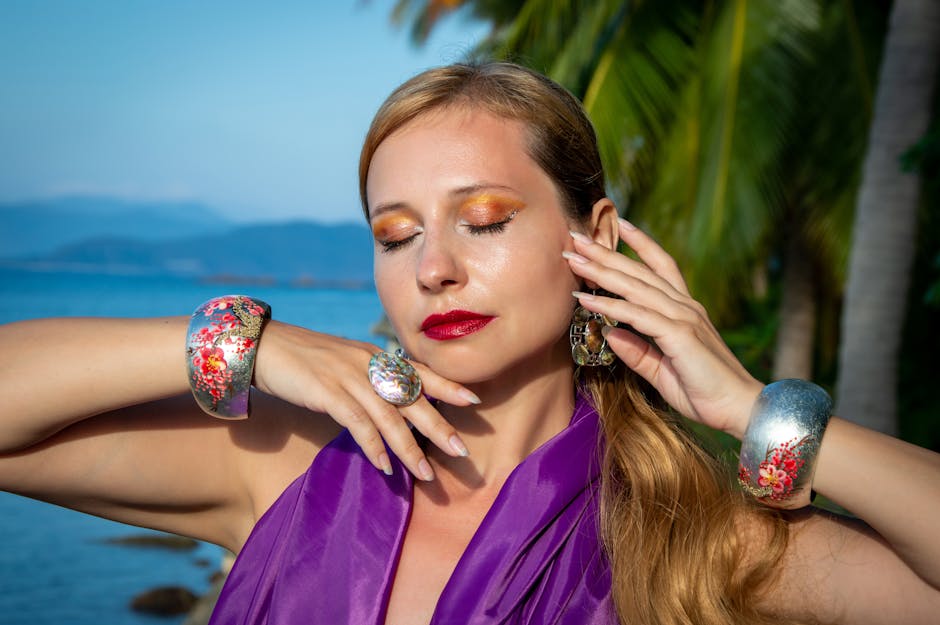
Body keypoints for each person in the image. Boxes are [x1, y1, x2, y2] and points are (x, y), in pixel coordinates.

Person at [1, 61, 939, 625]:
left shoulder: (693, 537)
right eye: (395, 234)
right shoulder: (290, 469)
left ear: (596, 241)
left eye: (483, 219)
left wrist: (747, 409)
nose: (433, 268)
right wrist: (247, 343)